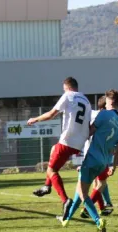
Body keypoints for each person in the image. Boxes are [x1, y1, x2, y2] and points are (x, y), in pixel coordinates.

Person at [59, 89, 118, 232]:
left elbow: (89, 132)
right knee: (80, 190)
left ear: (107, 100)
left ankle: (98, 221)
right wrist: (113, 166)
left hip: (92, 159)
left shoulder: (103, 114)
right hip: (104, 163)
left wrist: (73, 144)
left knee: (83, 193)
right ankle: (66, 219)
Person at [28, 77, 92, 214]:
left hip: (68, 141)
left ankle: (65, 200)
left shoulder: (68, 96)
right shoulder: (86, 101)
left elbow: (51, 114)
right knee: (53, 150)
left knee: (51, 171)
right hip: (79, 143)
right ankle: (46, 186)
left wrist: (35, 119)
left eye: (64, 89)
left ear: (67, 87)